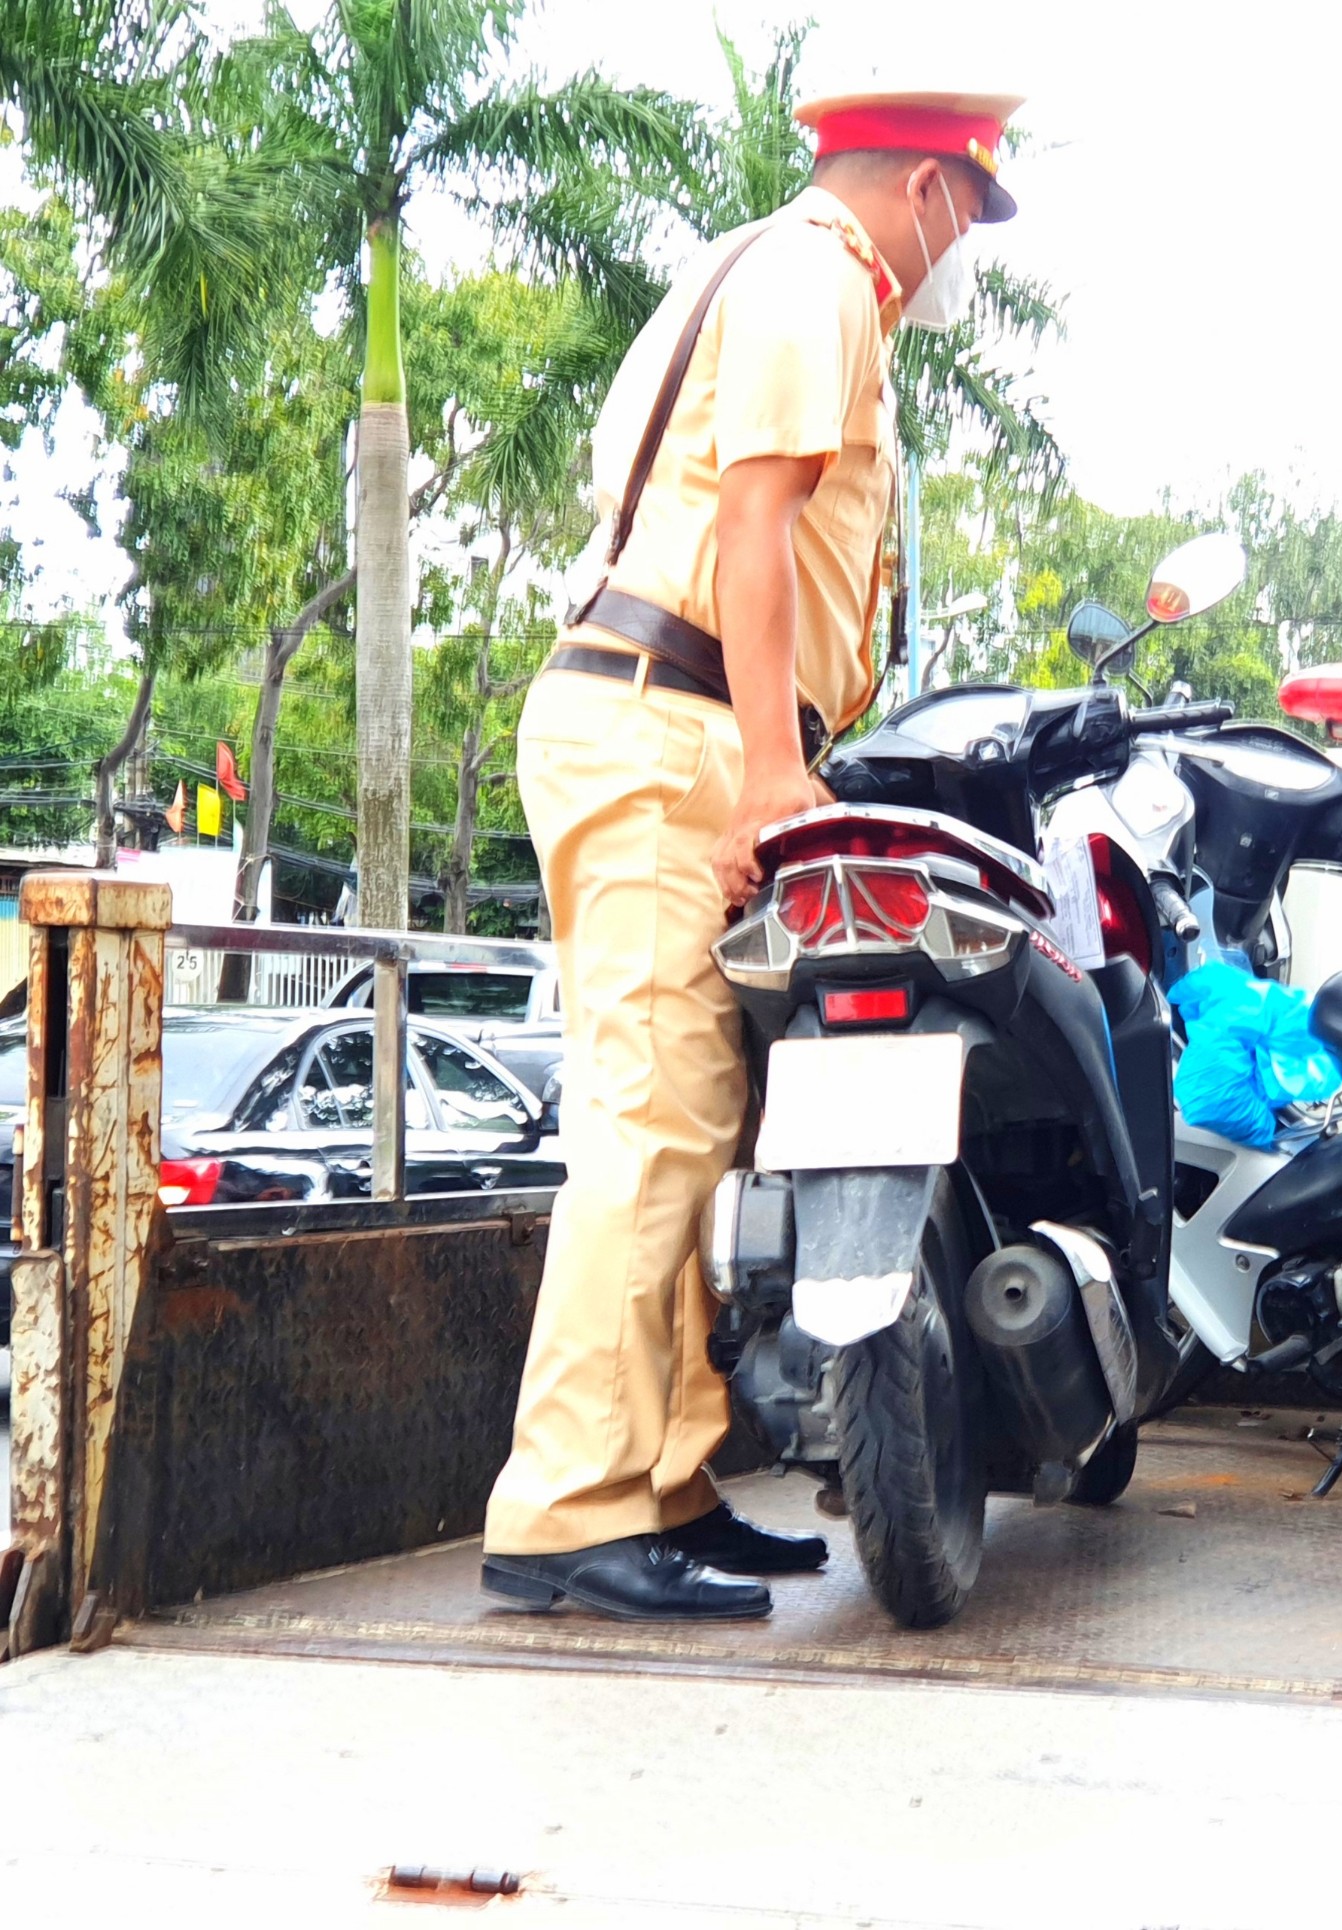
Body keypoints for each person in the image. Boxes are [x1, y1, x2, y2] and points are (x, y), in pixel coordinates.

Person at [479, 89, 1025, 1622]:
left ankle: (662, 1479)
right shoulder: (818, 276)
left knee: (704, 1120)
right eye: (970, 219)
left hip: (675, 717)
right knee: (652, 1121)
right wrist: (780, 771)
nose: (962, 254)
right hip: (675, 718)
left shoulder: (771, 270)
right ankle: (566, 1505)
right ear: (927, 186)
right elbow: (757, 516)